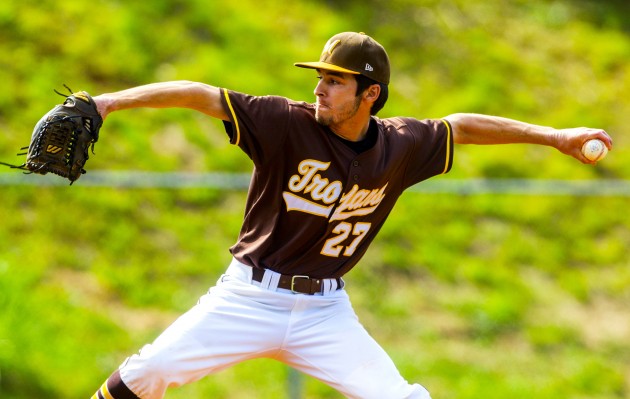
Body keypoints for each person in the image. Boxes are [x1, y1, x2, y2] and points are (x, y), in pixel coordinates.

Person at [90, 32, 612, 399]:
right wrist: (107, 103)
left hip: (324, 313)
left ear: (371, 94)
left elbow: (464, 126)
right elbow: (203, 96)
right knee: (149, 373)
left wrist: (555, 137)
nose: (320, 87)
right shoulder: (284, 122)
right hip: (248, 296)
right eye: (320, 76)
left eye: (336, 80)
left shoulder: (402, 145)